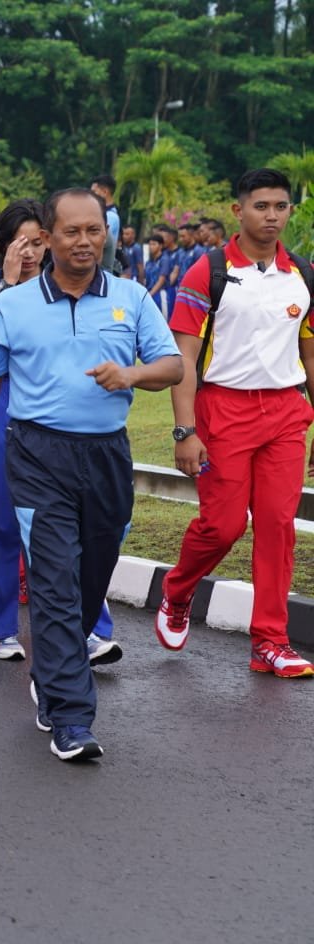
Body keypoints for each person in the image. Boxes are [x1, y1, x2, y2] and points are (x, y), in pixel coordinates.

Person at [0, 188, 181, 761]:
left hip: (106, 457)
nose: (84, 242)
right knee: (53, 579)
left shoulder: (131, 297)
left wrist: (131, 374)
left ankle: (52, 675)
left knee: (86, 581)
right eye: (72, 232)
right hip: (35, 456)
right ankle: (72, 719)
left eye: (94, 231)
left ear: (106, 234)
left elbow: (173, 364)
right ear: (47, 238)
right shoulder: (11, 306)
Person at [157, 168, 314, 676]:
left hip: (288, 413)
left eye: (281, 206)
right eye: (261, 206)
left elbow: (310, 357)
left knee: (276, 525)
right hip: (224, 409)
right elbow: (184, 358)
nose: (272, 215)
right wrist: (186, 431)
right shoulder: (210, 272)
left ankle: (271, 640)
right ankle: (177, 591)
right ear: (238, 210)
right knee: (223, 526)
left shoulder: (304, 275)